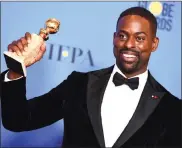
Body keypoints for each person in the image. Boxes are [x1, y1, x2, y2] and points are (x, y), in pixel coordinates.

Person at [1, 7, 181, 148]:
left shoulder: (172, 109)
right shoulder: (79, 84)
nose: (129, 44)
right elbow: (18, 120)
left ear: (154, 43)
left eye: (140, 38)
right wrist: (16, 69)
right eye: (122, 36)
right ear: (114, 38)